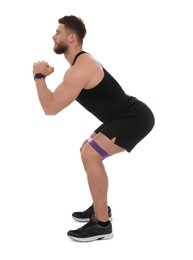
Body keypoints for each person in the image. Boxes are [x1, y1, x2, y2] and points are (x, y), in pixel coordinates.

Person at [33, 15, 155, 242]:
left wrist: (38, 76)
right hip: (121, 116)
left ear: (71, 37)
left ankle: (101, 224)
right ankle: (101, 207)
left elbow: (49, 108)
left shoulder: (81, 68)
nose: (53, 35)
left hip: (134, 117)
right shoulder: (79, 65)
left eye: (58, 32)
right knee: (85, 149)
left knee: (91, 155)